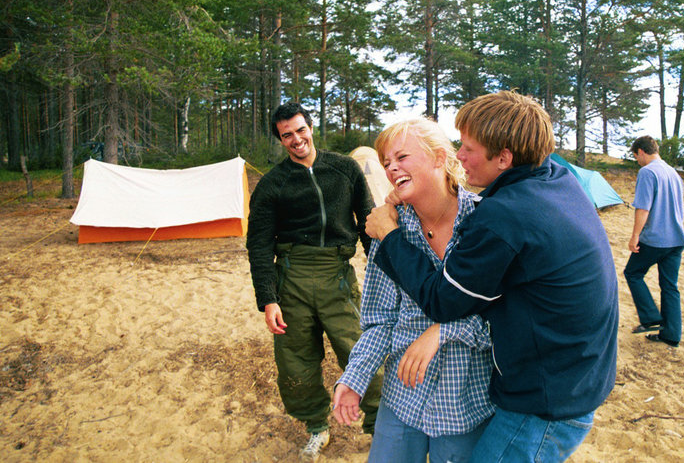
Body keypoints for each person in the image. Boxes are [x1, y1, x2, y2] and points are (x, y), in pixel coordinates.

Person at [365, 91, 618, 463]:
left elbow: (442, 302)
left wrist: (389, 236)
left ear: (504, 158)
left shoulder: (504, 216)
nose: (459, 156)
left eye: (468, 148)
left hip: (544, 403)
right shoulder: (557, 181)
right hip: (581, 376)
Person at [332, 118, 494, 463]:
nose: (391, 168)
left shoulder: (485, 222)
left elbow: (505, 319)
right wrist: (354, 379)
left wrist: (444, 331)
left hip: (465, 405)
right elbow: (380, 320)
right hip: (403, 399)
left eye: (401, 157)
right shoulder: (388, 229)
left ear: (438, 158)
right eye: (386, 162)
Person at [246, 102, 382, 462]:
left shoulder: (344, 169)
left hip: (338, 275)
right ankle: (316, 428)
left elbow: (369, 223)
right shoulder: (273, 184)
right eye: (286, 135)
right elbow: (258, 243)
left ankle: (378, 426)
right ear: (279, 139)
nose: (296, 140)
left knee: (360, 349)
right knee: (296, 360)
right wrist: (268, 299)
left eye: (300, 130)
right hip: (291, 278)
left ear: (311, 127)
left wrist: (382, 271)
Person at [624, 135, 684, 348]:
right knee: (670, 286)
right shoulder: (673, 173)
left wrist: (635, 237)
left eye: (636, 157)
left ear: (641, 151)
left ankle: (651, 319)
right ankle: (671, 335)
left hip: (656, 239)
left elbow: (643, 207)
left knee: (632, 273)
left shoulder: (647, 172)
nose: (637, 161)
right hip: (677, 238)